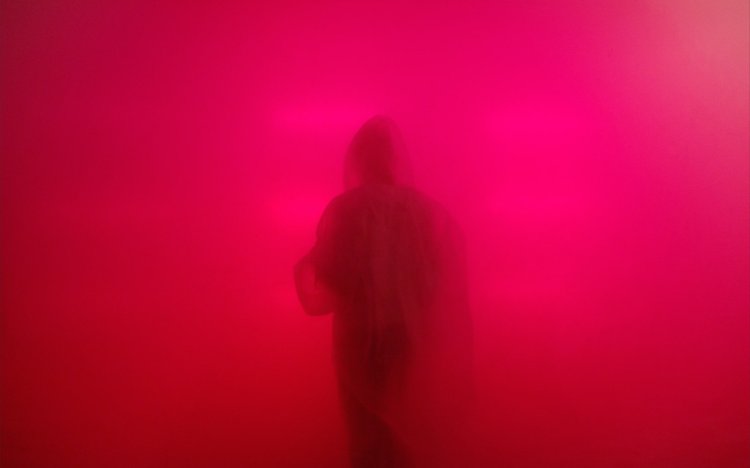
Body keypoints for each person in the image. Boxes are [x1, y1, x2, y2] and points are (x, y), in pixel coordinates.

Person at [294, 116, 473, 467]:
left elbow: (331, 276)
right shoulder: (424, 212)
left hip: (358, 337)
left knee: (366, 428)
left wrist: (309, 270)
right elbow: (438, 278)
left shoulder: (346, 208)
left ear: (358, 160)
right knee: (407, 418)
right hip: (408, 339)